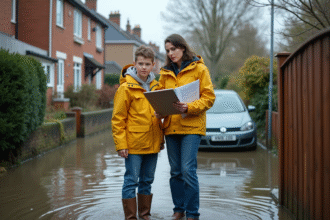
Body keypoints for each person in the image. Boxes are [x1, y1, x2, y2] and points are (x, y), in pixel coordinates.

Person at [157, 34, 215, 220]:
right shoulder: (165, 72)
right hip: (172, 127)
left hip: (191, 127)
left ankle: (192, 214)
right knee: (175, 172)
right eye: (167, 50)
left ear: (182, 48)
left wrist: (189, 107)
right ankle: (179, 210)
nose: (170, 53)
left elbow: (209, 97)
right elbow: (161, 97)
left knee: (188, 170)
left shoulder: (200, 68)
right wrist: (160, 110)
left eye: (173, 49)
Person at [112, 45, 165, 220]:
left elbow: (160, 116)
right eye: (140, 63)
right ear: (135, 63)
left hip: (152, 144)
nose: (143, 67)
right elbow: (118, 119)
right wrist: (121, 145)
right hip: (133, 145)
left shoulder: (157, 87)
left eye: (147, 64)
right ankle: (131, 218)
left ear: (153, 65)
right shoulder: (125, 88)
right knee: (131, 181)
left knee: (147, 181)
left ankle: (145, 215)